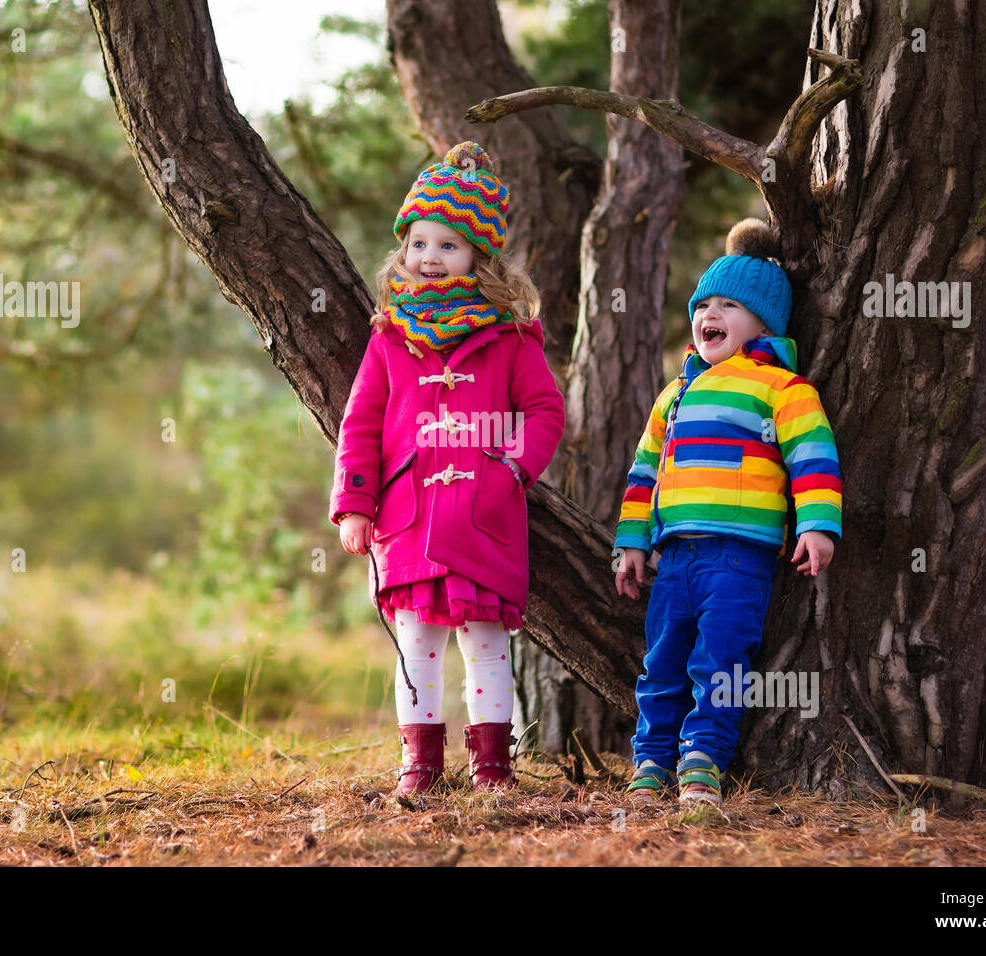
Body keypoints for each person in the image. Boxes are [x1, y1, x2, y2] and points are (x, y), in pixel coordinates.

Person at [330, 142, 565, 795]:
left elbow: (544, 410)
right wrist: (355, 501)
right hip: (406, 521)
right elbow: (362, 423)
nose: (429, 258)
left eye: (449, 246)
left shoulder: (512, 339)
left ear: (479, 257)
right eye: (419, 244)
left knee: (486, 646)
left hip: (484, 518)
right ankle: (421, 765)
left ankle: (493, 764)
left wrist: (512, 473)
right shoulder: (389, 339)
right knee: (416, 649)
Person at [612, 218, 843, 808]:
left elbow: (812, 459)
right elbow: (644, 474)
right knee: (661, 663)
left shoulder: (783, 389)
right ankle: (651, 760)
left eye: (728, 305)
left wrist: (818, 523)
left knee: (721, 659)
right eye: (703, 303)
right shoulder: (676, 393)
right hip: (675, 558)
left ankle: (704, 760)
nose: (708, 314)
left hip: (740, 558)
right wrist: (632, 543)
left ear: (763, 321)